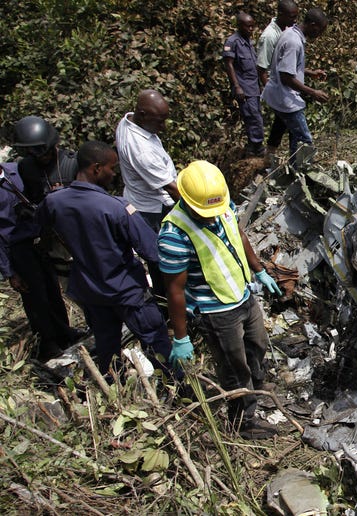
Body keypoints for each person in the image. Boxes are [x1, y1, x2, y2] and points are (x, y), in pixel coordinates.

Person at [158, 161, 283, 439]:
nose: (212, 216)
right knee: (233, 367)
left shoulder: (221, 205)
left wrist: (259, 270)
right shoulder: (173, 234)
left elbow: (239, 234)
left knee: (257, 347)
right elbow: (175, 291)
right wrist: (180, 338)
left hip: (243, 296)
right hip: (216, 312)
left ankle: (256, 391)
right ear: (185, 200)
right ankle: (243, 421)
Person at [35, 141, 177, 377]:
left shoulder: (54, 201)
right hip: (126, 291)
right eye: (112, 168)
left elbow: (40, 227)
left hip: (91, 291)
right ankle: (177, 387)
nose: (114, 174)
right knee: (157, 343)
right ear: (96, 169)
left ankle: (114, 392)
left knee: (107, 349)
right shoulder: (117, 208)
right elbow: (152, 251)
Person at [1, 116, 83, 360]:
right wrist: (9, 272)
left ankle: (65, 332)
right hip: (17, 248)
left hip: (40, 240)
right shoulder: (20, 171)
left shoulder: (16, 171)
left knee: (52, 291)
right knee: (35, 297)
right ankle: (48, 343)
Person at [116, 89, 178, 304]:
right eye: (159, 121)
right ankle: (168, 306)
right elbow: (171, 190)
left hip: (145, 199)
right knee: (162, 259)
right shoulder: (141, 150)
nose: (163, 127)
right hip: (153, 209)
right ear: (143, 115)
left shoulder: (128, 120)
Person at [261, 7, 329, 163]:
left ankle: (271, 161)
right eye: (320, 30)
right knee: (304, 140)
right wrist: (313, 92)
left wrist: (311, 72)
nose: (320, 35)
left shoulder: (290, 33)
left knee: (284, 128)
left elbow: (286, 65)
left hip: (277, 94)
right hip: (285, 97)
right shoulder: (294, 42)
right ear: (312, 25)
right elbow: (286, 77)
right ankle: (301, 175)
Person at [257, 0, 300, 159]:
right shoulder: (269, 36)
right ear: (280, 14)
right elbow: (262, 68)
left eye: (296, 17)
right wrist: (274, 93)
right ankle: (292, 160)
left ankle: (271, 154)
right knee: (293, 123)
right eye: (291, 16)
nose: (294, 20)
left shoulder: (286, 30)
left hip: (285, 85)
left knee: (282, 122)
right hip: (277, 86)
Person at [223, 11, 265, 157]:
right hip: (244, 88)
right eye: (248, 26)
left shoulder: (248, 42)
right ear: (240, 25)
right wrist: (237, 86)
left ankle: (255, 147)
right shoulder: (233, 42)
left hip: (254, 87)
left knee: (256, 116)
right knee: (253, 118)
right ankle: (256, 148)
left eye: (253, 26)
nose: (251, 29)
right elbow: (229, 65)